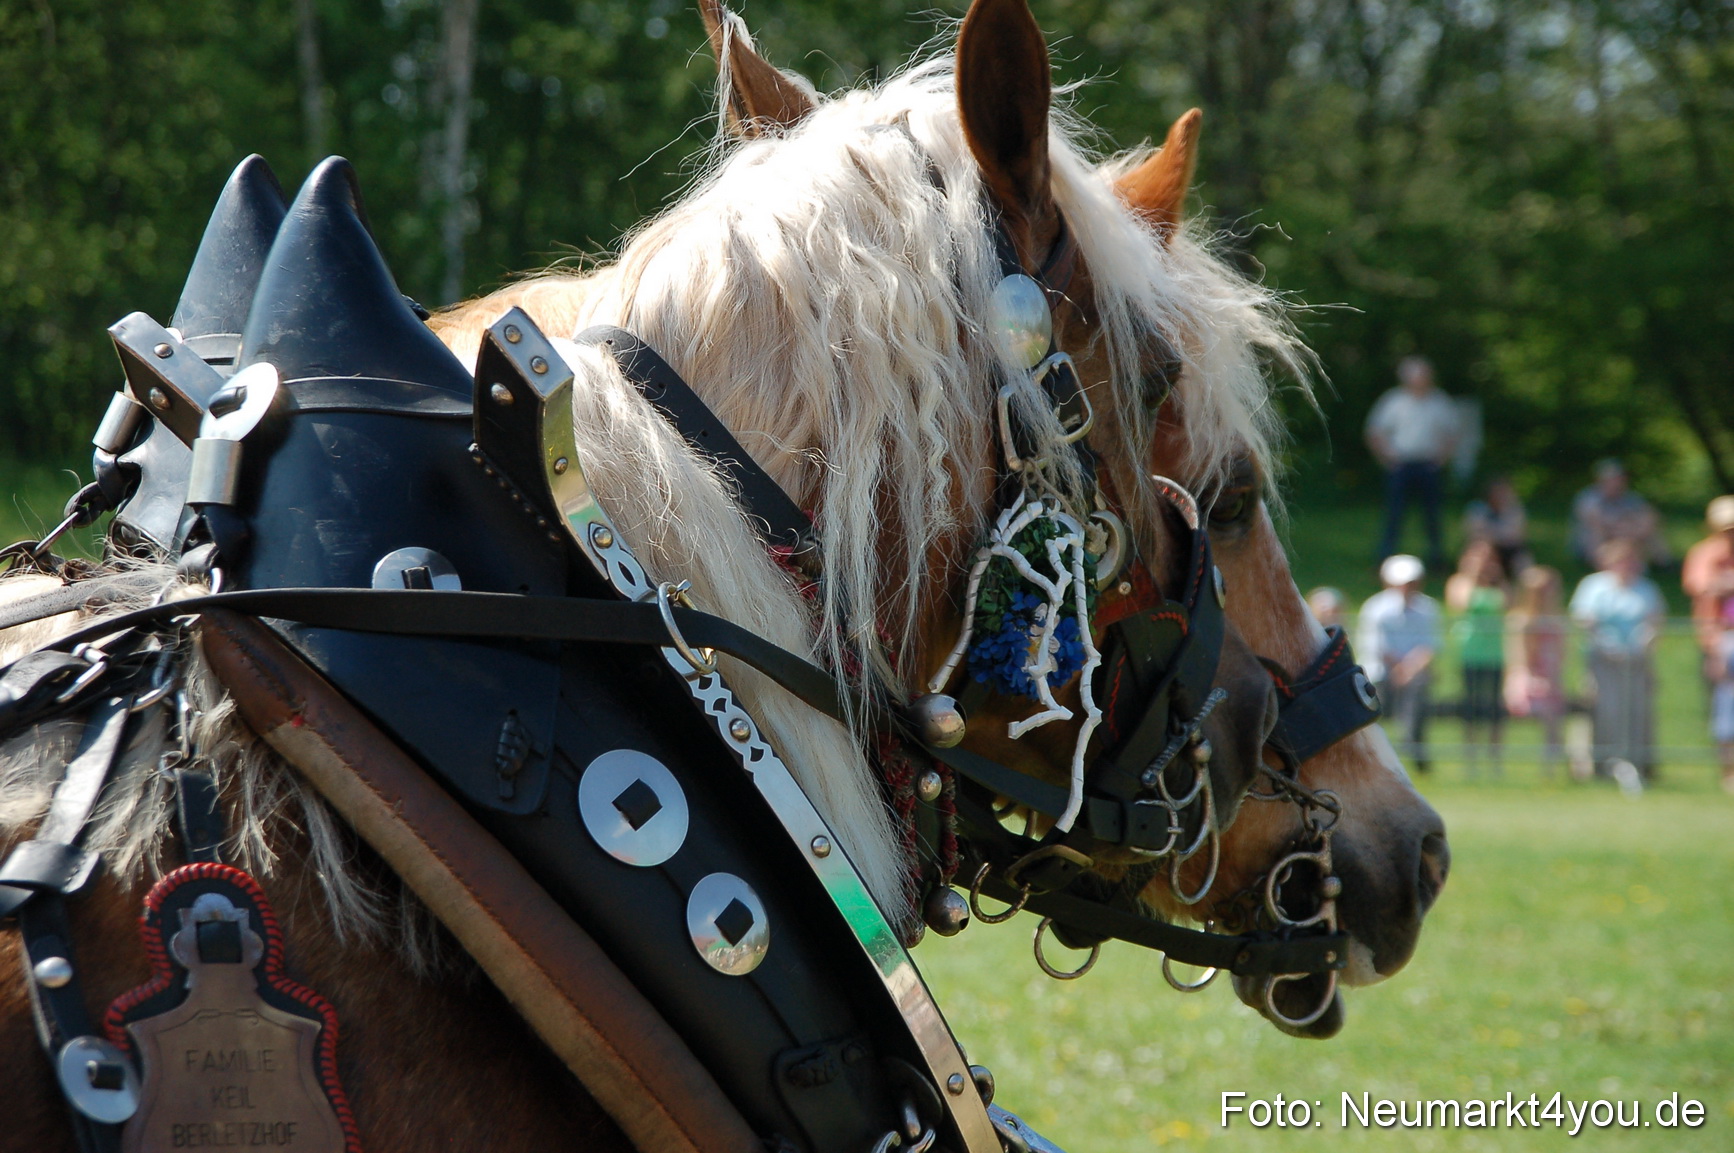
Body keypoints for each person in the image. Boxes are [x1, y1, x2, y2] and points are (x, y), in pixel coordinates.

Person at [1570, 538, 1665, 781]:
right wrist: (1606, 645)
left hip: (1636, 661)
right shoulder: (1594, 586)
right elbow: (1584, 619)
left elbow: (1655, 620)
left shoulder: (1646, 588)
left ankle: (1637, 763)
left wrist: (1644, 642)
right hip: (1603, 661)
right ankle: (1600, 764)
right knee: (1605, 710)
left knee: (1636, 711)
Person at [1365, 356, 1460, 569]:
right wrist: (1387, 459)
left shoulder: (1439, 401)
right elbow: (1375, 432)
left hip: (1428, 465)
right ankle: (1385, 559)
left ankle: (1437, 560)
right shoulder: (1394, 400)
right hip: (1401, 465)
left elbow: (1452, 433)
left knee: (1432, 516)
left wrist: (1441, 459)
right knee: (1394, 515)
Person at [1358, 554, 1442, 772]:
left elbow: (1429, 646)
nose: (1408, 587)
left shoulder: (1428, 608)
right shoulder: (1375, 608)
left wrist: (1409, 669)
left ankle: (1417, 756)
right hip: (1380, 672)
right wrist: (1401, 668)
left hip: (1414, 672)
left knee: (1416, 710)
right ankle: (1373, 758)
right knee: (1375, 718)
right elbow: (1377, 647)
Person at [1683, 496, 1734, 792]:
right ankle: (1727, 771)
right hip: (1717, 642)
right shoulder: (1704, 553)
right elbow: (1701, 586)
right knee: (1724, 706)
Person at [1446, 541, 1508, 777]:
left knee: (1494, 710)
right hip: (1470, 652)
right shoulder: (1459, 582)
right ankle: (1470, 759)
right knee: (1471, 707)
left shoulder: (1499, 585)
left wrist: (1497, 578)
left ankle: (1495, 760)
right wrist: (1473, 575)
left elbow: (1507, 604)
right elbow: (1461, 603)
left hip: (1495, 654)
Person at [1504, 565, 1568, 776]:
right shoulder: (1521, 620)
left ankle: (1552, 766)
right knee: (1544, 702)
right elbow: (1520, 658)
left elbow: (1561, 655)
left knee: (1554, 704)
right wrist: (1535, 677)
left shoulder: (1556, 619)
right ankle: (1549, 763)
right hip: (1527, 675)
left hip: (1550, 675)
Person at [1571, 459, 1669, 568]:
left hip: (1626, 534)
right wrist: (1626, 528)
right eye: (1612, 479)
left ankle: (1662, 562)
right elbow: (1595, 523)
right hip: (1597, 539)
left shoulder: (1630, 497)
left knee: (1649, 528)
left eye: (1619, 479)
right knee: (1596, 533)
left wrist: (1638, 528)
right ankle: (1599, 563)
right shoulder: (1589, 498)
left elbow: (1652, 515)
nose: (1617, 482)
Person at [1463, 475, 1530, 577]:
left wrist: (1492, 535)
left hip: (1509, 549)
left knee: (1522, 558)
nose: (1501, 495)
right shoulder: (1477, 509)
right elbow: (1474, 533)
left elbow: (1517, 536)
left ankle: (1523, 584)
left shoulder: (1515, 510)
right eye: (1497, 492)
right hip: (1484, 547)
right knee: (1478, 551)